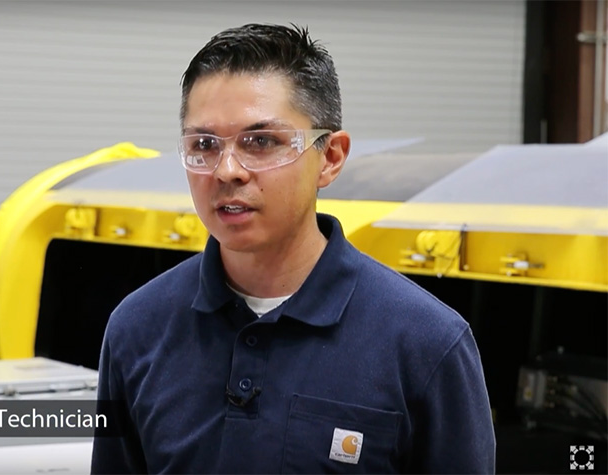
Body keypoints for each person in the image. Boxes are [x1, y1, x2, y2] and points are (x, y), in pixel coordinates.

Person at [91, 23, 495, 473]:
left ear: (331, 157)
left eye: (261, 142)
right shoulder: (136, 329)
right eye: (204, 145)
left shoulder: (426, 344)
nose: (227, 171)